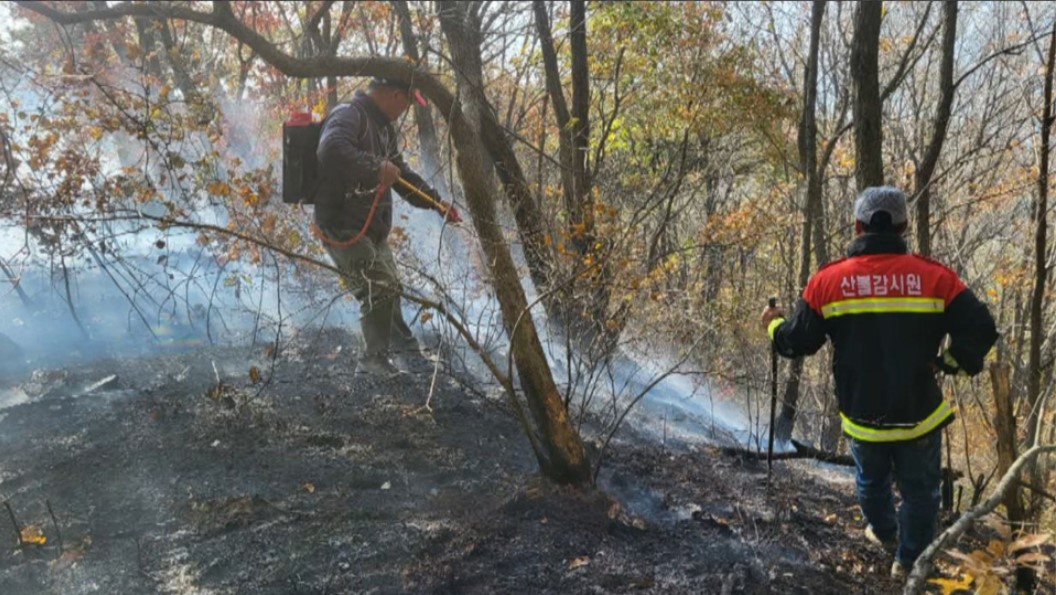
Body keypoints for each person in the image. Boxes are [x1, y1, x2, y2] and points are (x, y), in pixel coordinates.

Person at [760, 186, 997, 577]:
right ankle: (908, 564)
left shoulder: (828, 281)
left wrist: (772, 325)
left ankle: (885, 534)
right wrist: (951, 364)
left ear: (858, 225)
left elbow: (796, 341)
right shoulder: (936, 278)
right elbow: (982, 327)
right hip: (918, 413)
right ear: (903, 226)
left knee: (870, 483)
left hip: (862, 416)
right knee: (921, 494)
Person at [315, 77, 462, 376]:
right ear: (395, 94)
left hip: (371, 229)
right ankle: (373, 360)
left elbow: (401, 176)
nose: (407, 108)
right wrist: (374, 168)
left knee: (391, 285)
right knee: (379, 286)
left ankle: (404, 348)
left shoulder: (382, 128)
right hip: (343, 227)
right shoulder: (349, 114)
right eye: (408, 102)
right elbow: (330, 149)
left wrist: (436, 203)